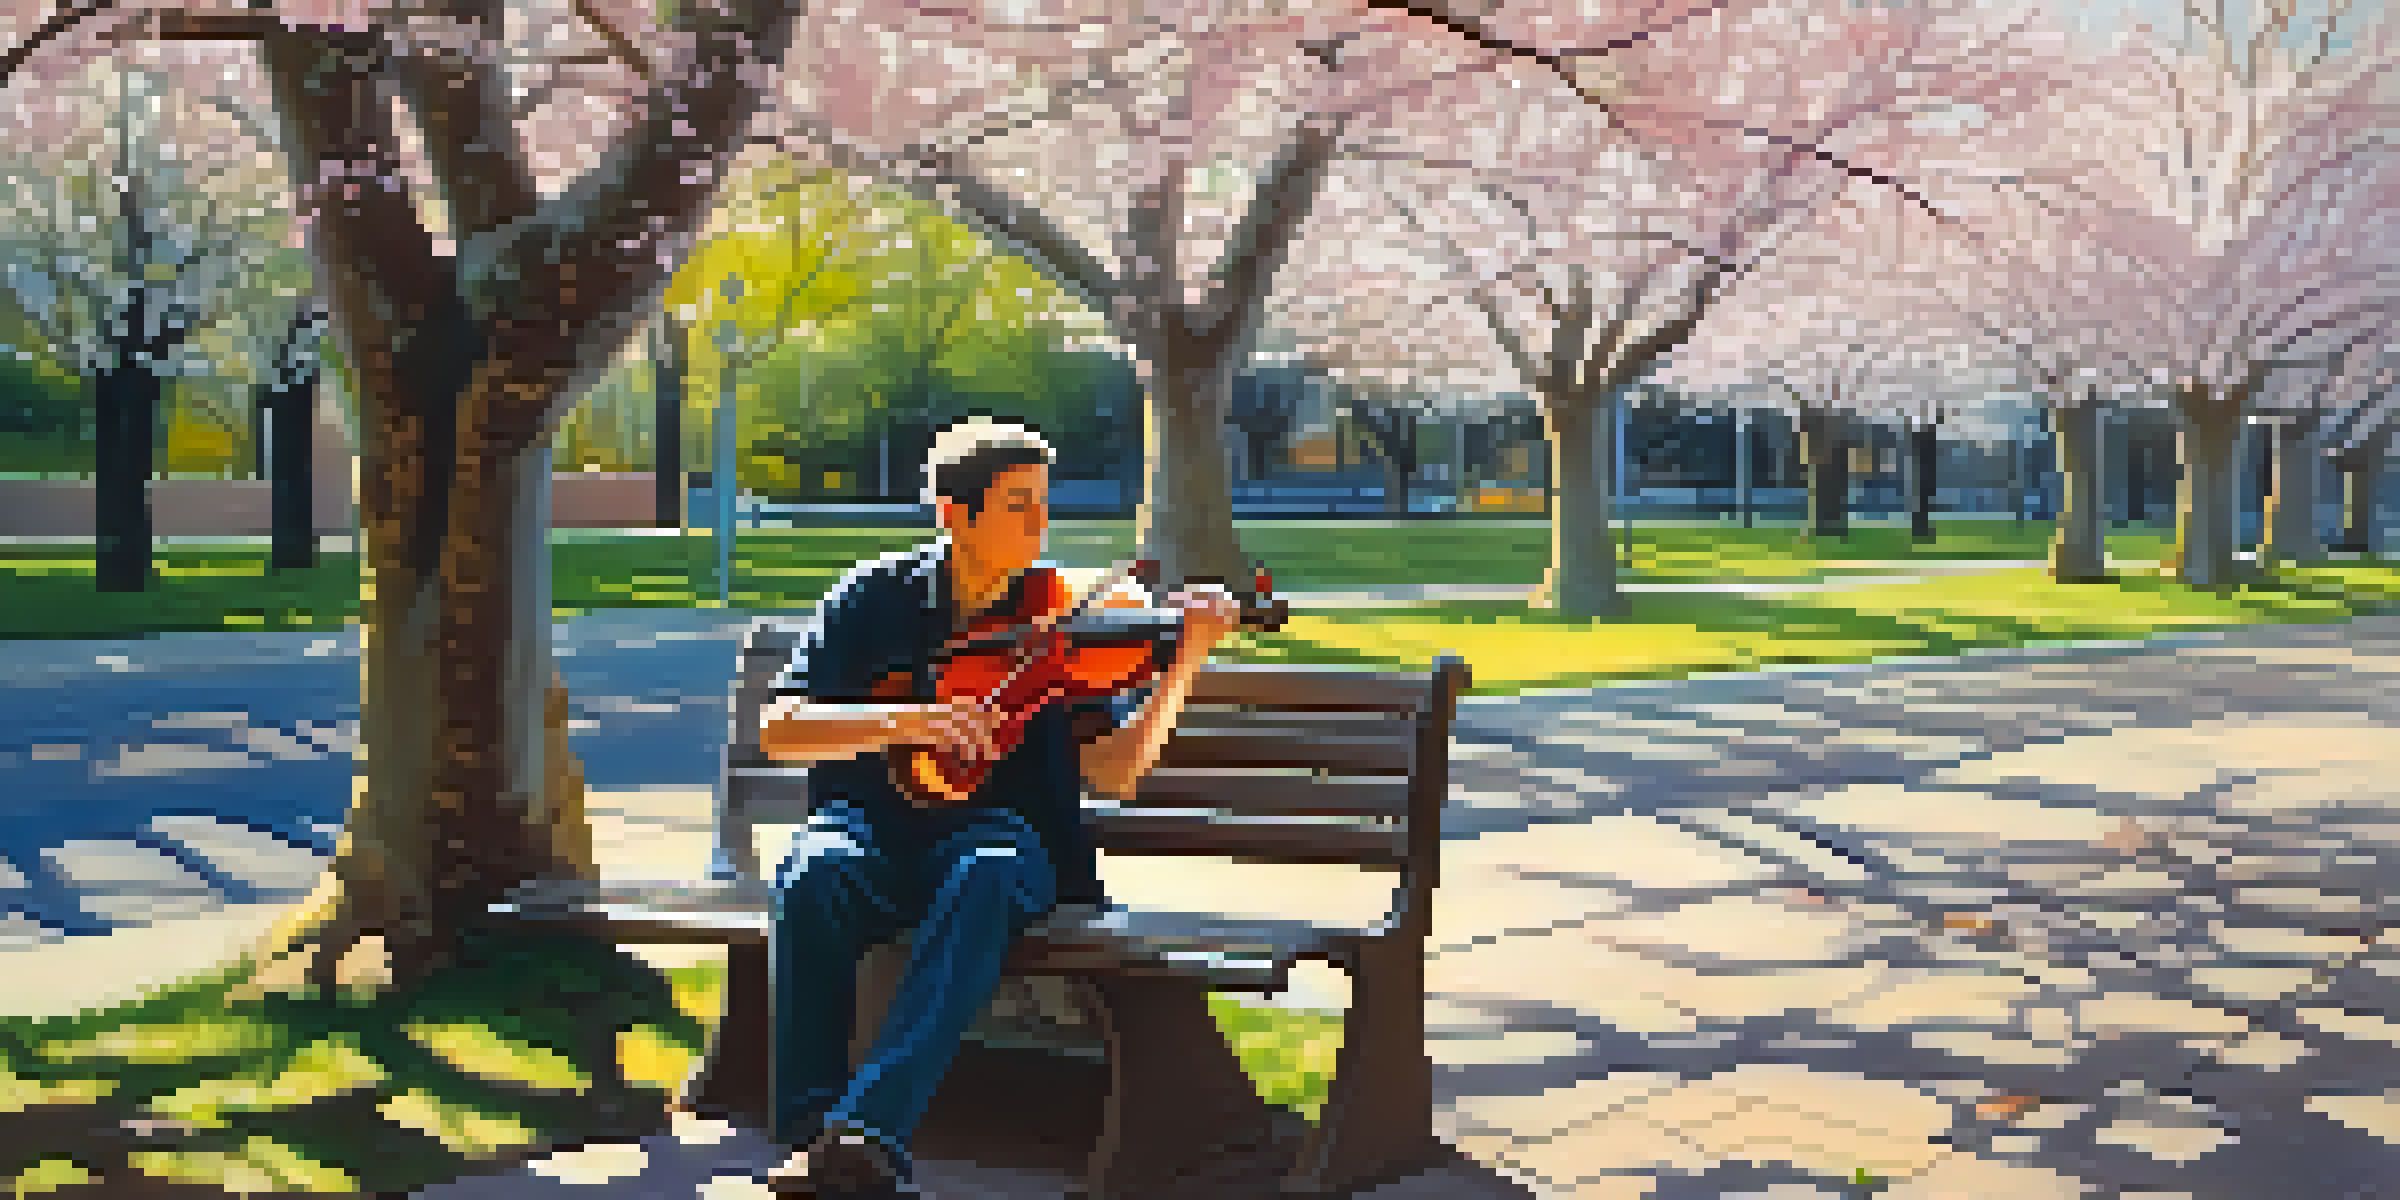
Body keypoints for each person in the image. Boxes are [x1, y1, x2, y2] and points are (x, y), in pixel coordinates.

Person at [750, 416, 1241, 1198]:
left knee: (986, 871)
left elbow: (1116, 771)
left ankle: (867, 1134)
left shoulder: (1061, 623)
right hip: (868, 829)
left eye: (1043, 503)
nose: (1041, 524)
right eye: (1019, 505)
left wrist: (1183, 663)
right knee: (811, 873)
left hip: (997, 836)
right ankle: (812, 1139)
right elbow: (780, 730)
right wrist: (907, 721)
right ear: (954, 512)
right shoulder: (871, 599)